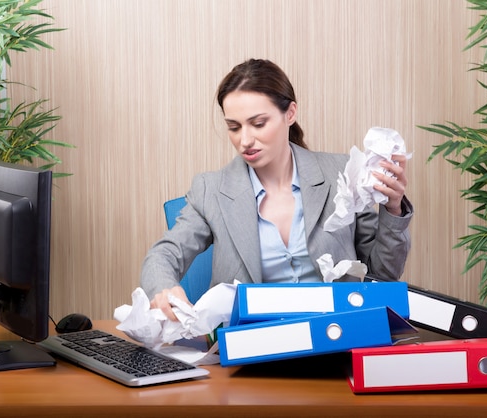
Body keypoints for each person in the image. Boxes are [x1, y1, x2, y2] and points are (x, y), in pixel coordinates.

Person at [141, 59, 413, 321]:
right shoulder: (210, 190)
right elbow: (164, 255)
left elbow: (382, 277)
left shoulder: (342, 174)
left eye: (258, 124)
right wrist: (164, 288)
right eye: (234, 127)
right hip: (252, 350)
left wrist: (393, 208)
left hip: (336, 338)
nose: (245, 140)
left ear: (290, 113)